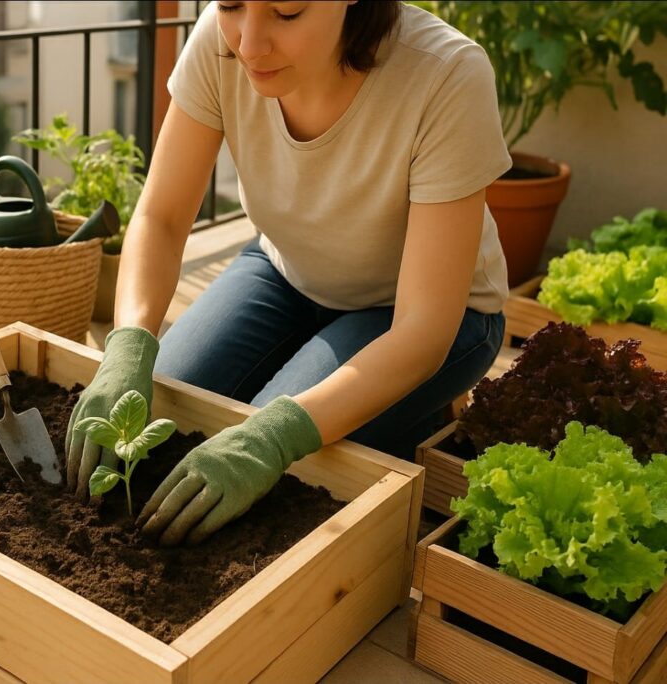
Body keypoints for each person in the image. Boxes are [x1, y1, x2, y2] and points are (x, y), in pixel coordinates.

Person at [65, 0, 511, 547]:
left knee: (267, 458)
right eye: (230, 4)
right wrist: (128, 347)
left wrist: (274, 437)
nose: (249, 44)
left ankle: (415, 421)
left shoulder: (446, 74)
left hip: (420, 317)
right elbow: (160, 218)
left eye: (288, 11)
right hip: (284, 270)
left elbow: (423, 333)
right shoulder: (219, 42)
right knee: (159, 415)